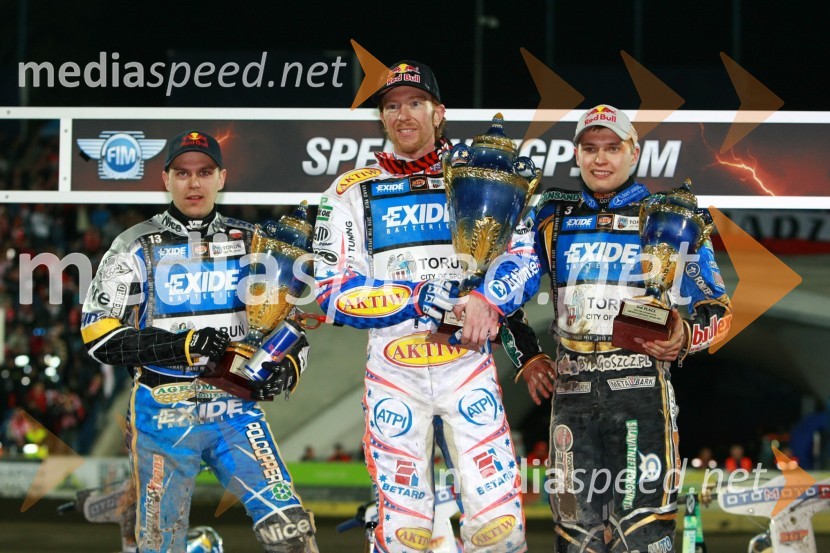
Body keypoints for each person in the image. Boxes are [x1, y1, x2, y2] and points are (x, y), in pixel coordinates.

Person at [488, 105, 733, 552]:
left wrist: (685, 338)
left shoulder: (668, 217)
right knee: (576, 538)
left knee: (643, 533)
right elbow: (502, 294)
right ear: (577, 155)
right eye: (590, 148)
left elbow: (718, 307)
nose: (601, 159)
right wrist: (529, 357)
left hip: (641, 396)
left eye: (612, 148)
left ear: (633, 152)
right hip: (572, 399)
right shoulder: (550, 217)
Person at [313, 60, 534, 552]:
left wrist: (486, 299)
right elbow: (329, 287)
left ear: (439, 112)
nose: (403, 115)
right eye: (391, 106)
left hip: (465, 363)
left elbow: (522, 255)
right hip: (395, 367)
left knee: (503, 531)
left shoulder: (482, 172)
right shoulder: (351, 191)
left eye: (415, 102)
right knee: (406, 536)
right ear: (382, 119)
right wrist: (413, 299)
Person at [81, 130, 318, 553]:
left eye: (205, 172)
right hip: (162, 414)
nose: (194, 183)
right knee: (159, 544)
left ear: (222, 177)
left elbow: (291, 326)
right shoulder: (134, 246)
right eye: (183, 173)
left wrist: (289, 363)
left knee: (292, 531)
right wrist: (180, 346)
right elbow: (98, 335)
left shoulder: (254, 243)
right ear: (165, 178)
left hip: (236, 413)